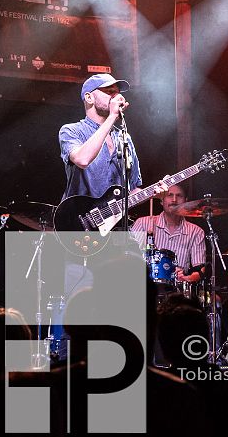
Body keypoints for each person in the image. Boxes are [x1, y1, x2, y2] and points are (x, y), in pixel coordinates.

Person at [58, 73, 142, 201]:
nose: (117, 98)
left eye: (118, 93)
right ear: (89, 98)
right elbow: (82, 160)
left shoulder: (124, 138)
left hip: (114, 214)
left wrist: (155, 193)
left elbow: (133, 188)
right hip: (80, 212)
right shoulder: (71, 131)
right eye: (110, 92)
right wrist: (112, 116)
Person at [131, 184, 206, 285]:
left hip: (177, 290)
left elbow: (200, 270)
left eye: (179, 196)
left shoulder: (196, 232)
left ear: (185, 201)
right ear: (161, 200)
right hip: (144, 286)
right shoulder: (142, 223)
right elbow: (128, 257)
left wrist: (186, 278)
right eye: (169, 195)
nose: (174, 200)